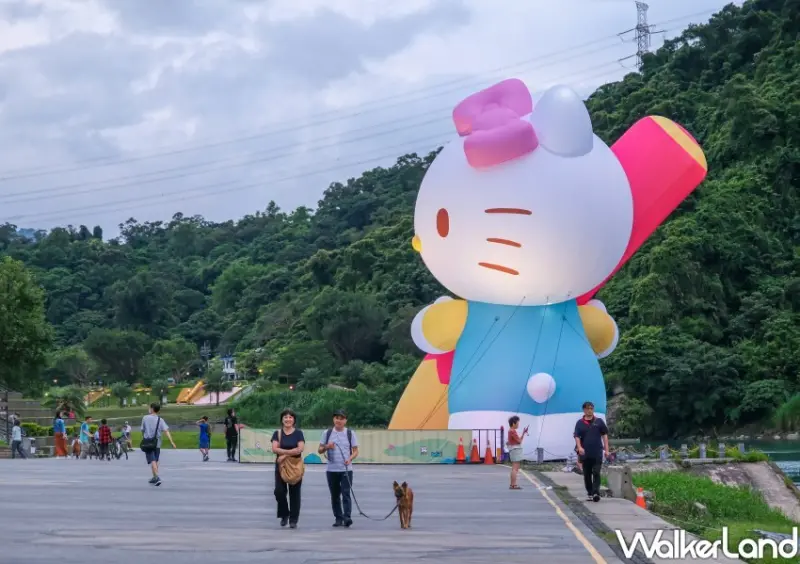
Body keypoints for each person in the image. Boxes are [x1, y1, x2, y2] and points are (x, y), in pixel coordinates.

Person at [318, 409, 359, 527]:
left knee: (346, 493)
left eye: (341, 418)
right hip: (331, 470)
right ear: (333, 419)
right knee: (335, 495)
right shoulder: (327, 433)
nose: (339, 421)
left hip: (346, 469)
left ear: (345, 420)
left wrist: (350, 458)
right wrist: (327, 446)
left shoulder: (350, 433)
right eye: (337, 418)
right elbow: (320, 450)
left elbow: (356, 451)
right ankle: (338, 518)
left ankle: (347, 517)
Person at [271, 408, 305, 529]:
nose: (288, 419)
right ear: (282, 420)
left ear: (294, 420)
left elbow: (300, 449)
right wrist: (291, 451)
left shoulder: (298, 433)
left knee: (294, 493)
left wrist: (284, 454)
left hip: (295, 465)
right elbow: (274, 448)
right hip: (281, 465)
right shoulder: (277, 433)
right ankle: (284, 514)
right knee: (279, 491)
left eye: (290, 417)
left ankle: (293, 519)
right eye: (285, 417)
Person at [573, 401, 610, 502]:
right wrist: (579, 447)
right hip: (585, 453)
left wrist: (606, 450)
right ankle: (590, 492)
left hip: (597, 452)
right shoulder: (579, 423)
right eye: (588, 409)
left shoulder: (599, 422)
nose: (590, 411)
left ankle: (596, 493)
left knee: (596, 472)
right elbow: (577, 436)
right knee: (587, 474)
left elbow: (605, 436)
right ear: (584, 410)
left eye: (591, 408)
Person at [141, 403, 177, 486]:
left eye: (149, 407)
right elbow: (166, 431)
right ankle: (154, 477)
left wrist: (144, 437)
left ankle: (157, 477)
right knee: (155, 460)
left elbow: (142, 430)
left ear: (152, 409)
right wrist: (171, 441)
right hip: (157, 443)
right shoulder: (160, 420)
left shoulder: (145, 418)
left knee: (152, 460)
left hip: (148, 442)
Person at [506, 415, 528, 489]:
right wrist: (523, 434)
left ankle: (512, 484)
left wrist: (523, 433)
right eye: (517, 423)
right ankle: (514, 485)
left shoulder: (511, 431)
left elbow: (518, 440)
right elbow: (519, 441)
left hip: (514, 450)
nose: (518, 425)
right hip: (515, 450)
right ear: (513, 423)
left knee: (514, 468)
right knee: (515, 468)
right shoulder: (512, 431)